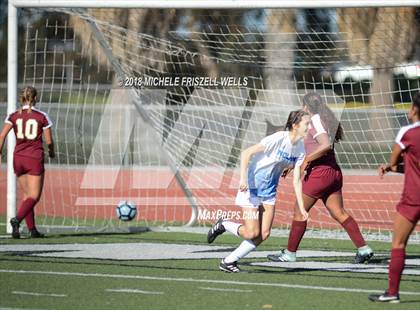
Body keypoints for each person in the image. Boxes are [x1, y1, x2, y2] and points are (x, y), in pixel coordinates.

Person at [267, 92, 373, 264]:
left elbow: (324, 145)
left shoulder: (315, 120)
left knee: (300, 211)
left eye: (303, 106)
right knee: (339, 212)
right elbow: (312, 149)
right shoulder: (321, 119)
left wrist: (306, 161)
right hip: (332, 173)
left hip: (320, 174)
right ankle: (364, 249)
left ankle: (289, 254)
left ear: (306, 107)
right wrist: (294, 164)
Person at [207, 110, 310, 272]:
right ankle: (224, 224)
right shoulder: (278, 138)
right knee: (251, 232)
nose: (309, 127)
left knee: (264, 233)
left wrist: (302, 207)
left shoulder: (301, 148)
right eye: (306, 124)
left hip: (268, 192)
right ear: (295, 125)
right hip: (251, 189)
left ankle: (228, 261)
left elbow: (297, 180)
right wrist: (243, 179)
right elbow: (246, 153)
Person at [369, 93, 420, 303]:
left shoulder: (408, 132)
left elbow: (395, 159)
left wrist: (389, 166)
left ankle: (392, 293)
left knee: (398, 244)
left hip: (413, 197)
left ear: (415, 109)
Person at [0, 86, 55, 238]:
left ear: (21, 98)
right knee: (34, 196)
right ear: (35, 98)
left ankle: (32, 230)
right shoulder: (42, 116)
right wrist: (51, 152)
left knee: (26, 196)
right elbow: (49, 140)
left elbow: (1, 136)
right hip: (34, 158)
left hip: (18, 158)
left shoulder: (13, 115)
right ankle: (16, 220)